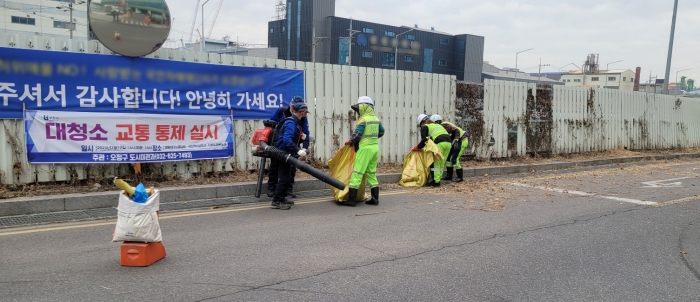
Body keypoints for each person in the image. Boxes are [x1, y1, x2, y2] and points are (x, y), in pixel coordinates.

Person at [343, 96, 385, 207]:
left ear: (364, 107)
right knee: (371, 173)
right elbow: (382, 131)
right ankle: (375, 199)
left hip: (365, 149)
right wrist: (372, 139)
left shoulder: (363, 120)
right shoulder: (376, 119)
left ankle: (352, 200)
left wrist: (350, 141)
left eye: (359, 108)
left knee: (357, 172)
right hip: (374, 148)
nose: (357, 111)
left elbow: (357, 135)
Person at [267, 96, 310, 199]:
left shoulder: (302, 118)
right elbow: (271, 125)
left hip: (292, 145)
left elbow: (305, 133)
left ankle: (286, 191)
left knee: (289, 171)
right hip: (280, 145)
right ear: (292, 106)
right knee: (275, 167)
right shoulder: (284, 114)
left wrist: (304, 148)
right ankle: (272, 189)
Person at [413, 114, 451, 187]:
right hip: (448, 143)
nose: (421, 127)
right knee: (441, 163)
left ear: (422, 122)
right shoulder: (437, 125)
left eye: (420, 125)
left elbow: (425, 139)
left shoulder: (425, 126)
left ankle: (436, 182)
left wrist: (418, 147)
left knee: (436, 163)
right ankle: (438, 179)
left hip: (440, 142)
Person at [430, 114, 469, 182]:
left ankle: (460, 177)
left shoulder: (444, 125)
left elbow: (457, 131)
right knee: (448, 159)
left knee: (454, 159)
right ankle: (449, 176)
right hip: (455, 141)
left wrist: (456, 139)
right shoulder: (440, 127)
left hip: (462, 140)